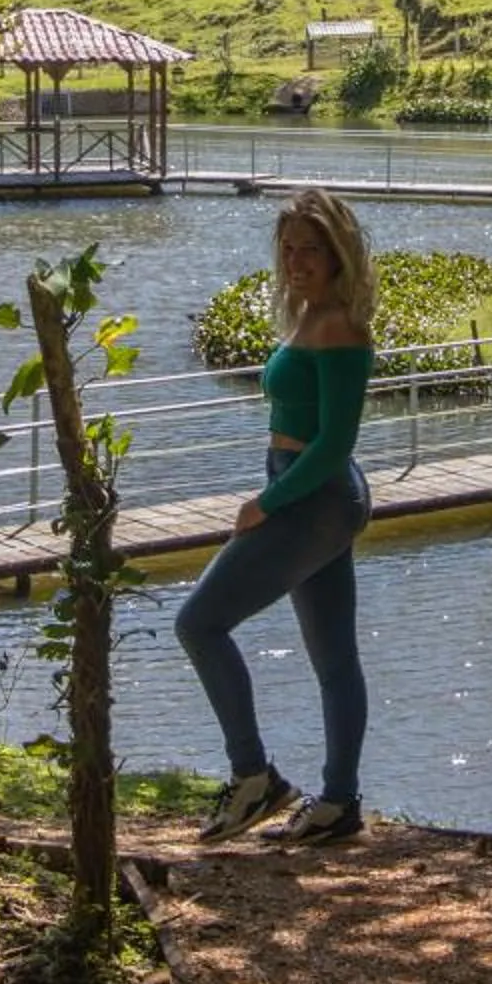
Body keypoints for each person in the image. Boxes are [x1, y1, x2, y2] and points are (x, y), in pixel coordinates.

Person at [175, 188, 375, 844]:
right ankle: (338, 804)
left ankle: (253, 776)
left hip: (313, 498)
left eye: (310, 249)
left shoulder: (339, 325)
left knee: (199, 623)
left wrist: (267, 503)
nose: (296, 262)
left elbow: (335, 443)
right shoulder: (310, 315)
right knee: (335, 659)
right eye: (287, 249)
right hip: (309, 494)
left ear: (338, 253)